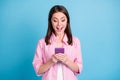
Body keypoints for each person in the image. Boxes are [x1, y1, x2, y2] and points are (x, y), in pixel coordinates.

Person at [32, 5, 83, 80]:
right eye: (55, 20)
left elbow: (78, 69)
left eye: (63, 20)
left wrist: (67, 61)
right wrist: (51, 61)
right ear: (50, 22)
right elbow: (38, 70)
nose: (59, 24)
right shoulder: (42, 43)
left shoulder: (75, 41)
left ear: (67, 21)